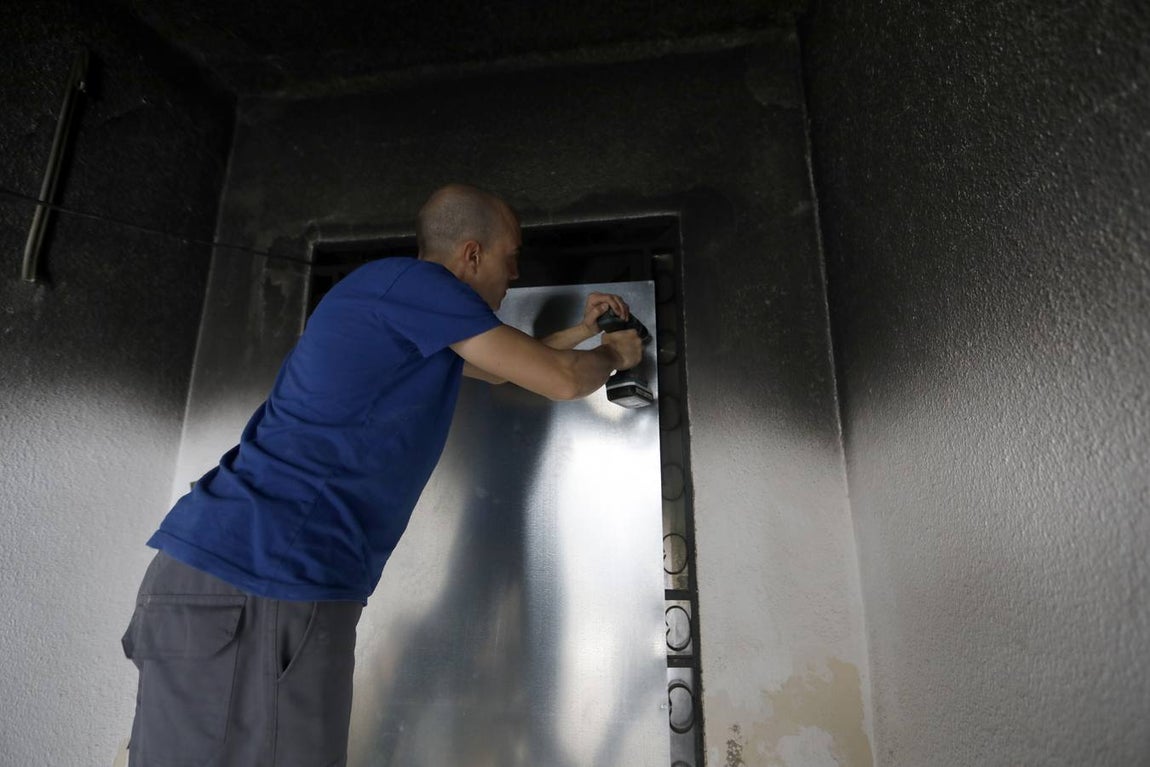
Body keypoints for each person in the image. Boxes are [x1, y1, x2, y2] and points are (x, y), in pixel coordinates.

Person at [119, 183, 643, 766]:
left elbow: (503, 372)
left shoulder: (403, 310)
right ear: (470, 255)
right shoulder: (416, 285)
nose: (515, 273)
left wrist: (583, 332)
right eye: (509, 256)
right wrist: (617, 356)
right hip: (260, 577)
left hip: (260, 579)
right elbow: (560, 380)